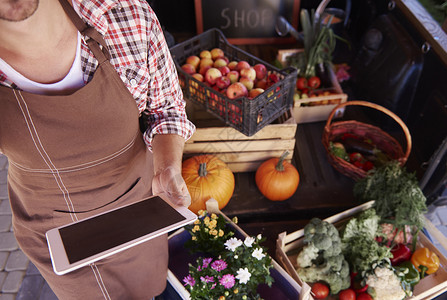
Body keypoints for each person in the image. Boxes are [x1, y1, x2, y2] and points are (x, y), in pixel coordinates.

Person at [0, 0, 195, 299]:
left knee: (148, 287)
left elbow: (166, 109)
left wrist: (167, 166)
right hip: (54, 234)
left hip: (139, 211)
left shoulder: (124, 17)